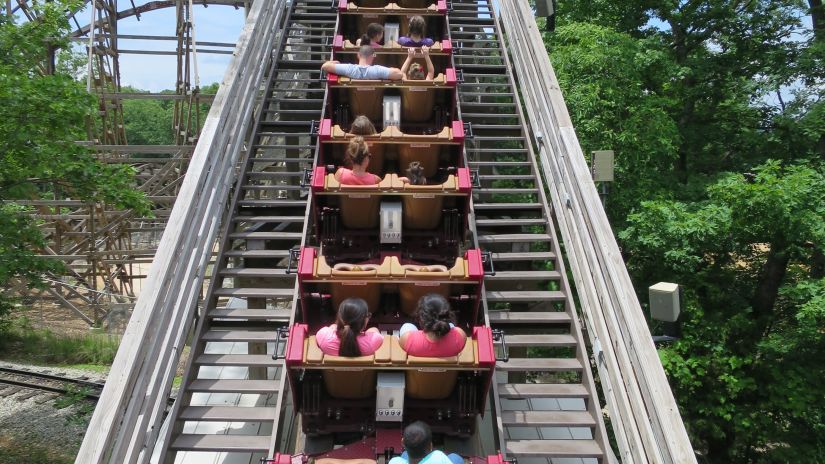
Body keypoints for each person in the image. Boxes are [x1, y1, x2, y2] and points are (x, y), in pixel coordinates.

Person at [399, 293, 467, 357]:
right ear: (447, 315)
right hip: (450, 368)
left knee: (407, 326)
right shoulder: (460, 336)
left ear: (421, 318)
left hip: (414, 366)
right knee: (451, 325)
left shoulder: (407, 339)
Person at [316, 297, 383, 356]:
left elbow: (332, 328)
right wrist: (373, 331)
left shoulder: (323, 336)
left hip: (331, 371)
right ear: (364, 320)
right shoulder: (374, 340)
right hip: (366, 371)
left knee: (333, 326)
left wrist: (334, 327)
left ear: (339, 317)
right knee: (374, 329)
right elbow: (376, 335)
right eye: (368, 315)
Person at [387, 421, 464, 464]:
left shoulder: (394, 462)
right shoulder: (438, 457)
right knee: (455, 457)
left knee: (404, 454)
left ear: (402, 442)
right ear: (431, 446)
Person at [321, 45, 403, 80]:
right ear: (372, 56)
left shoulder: (349, 69)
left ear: (358, 55)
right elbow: (399, 74)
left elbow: (325, 66)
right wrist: (391, 69)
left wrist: (336, 61)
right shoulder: (377, 70)